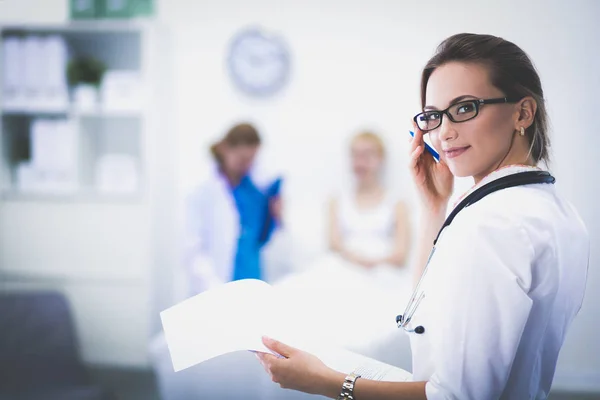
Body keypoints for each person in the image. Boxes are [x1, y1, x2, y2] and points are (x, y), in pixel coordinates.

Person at [255, 33, 589, 399]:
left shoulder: (490, 224)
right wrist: (434, 209)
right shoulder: (559, 212)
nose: (444, 132)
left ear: (523, 112)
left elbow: (455, 395)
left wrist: (327, 382)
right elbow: (427, 322)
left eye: (464, 108)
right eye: (434, 116)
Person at [184, 122, 282, 295]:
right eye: (242, 159)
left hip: (253, 278)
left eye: (251, 160)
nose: (246, 165)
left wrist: (276, 216)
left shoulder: (256, 191)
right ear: (225, 150)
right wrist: (211, 287)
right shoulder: (203, 190)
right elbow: (192, 248)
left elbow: (261, 238)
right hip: (216, 284)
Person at [329, 131, 411, 270]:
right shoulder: (336, 201)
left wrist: (372, 264)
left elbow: (400, 254)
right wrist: (355, 260)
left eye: (367, 155)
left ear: (380, 159)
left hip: (384, 273)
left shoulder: (397, 203)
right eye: (355, 155)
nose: (360, 162)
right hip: (344, 269)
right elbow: (334, 244)